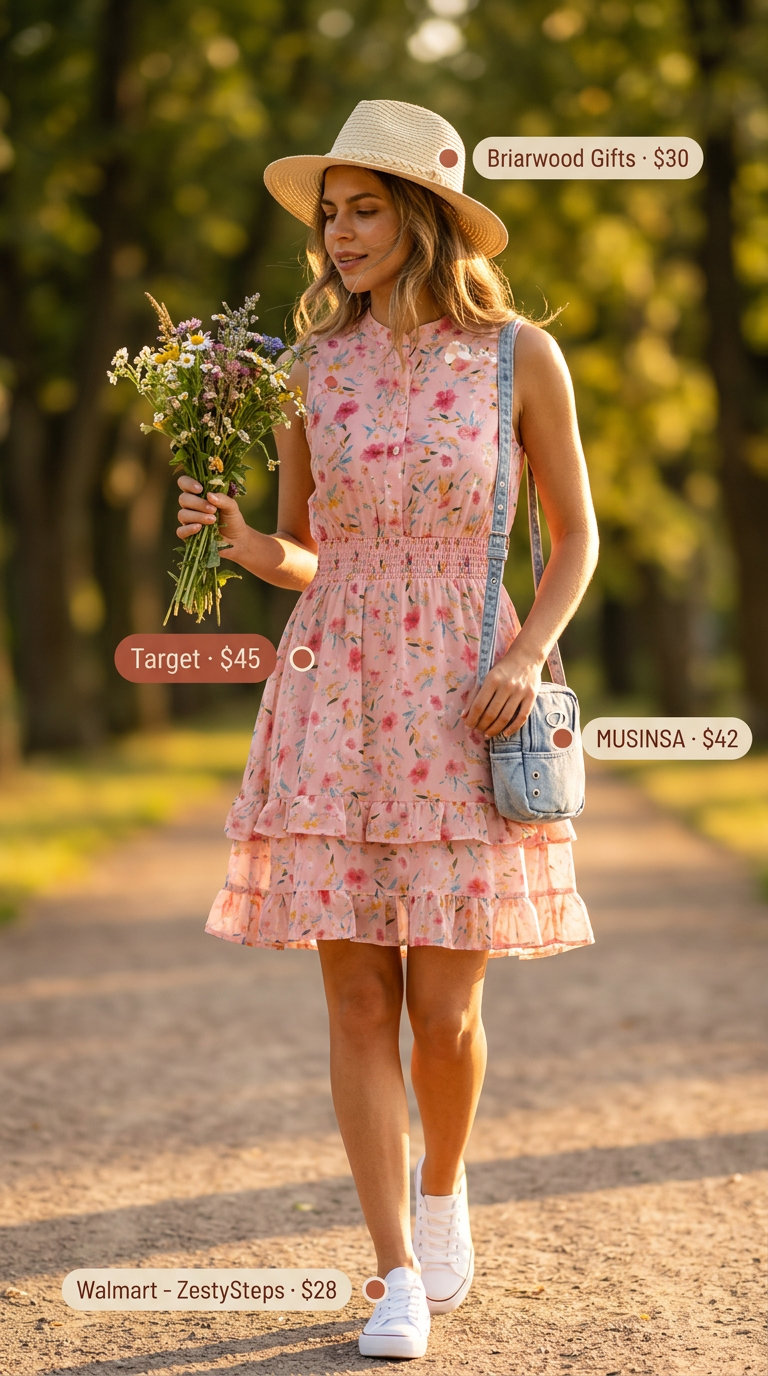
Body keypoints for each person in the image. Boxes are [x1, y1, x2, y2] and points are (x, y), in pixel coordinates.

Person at [176, 99, 599, 1361]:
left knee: (443, 1013)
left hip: (468, 690)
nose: (340, 233)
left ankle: (444, 1178)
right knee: (358, 995)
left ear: (422, 217)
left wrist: (526, 653)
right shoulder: (308, 370)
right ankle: (394, 1272)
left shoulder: (520, 354)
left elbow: (576, 535)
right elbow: (310, 552)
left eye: (365, 209)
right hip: (333, 690)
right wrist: (251, 546)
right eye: (330, 212)